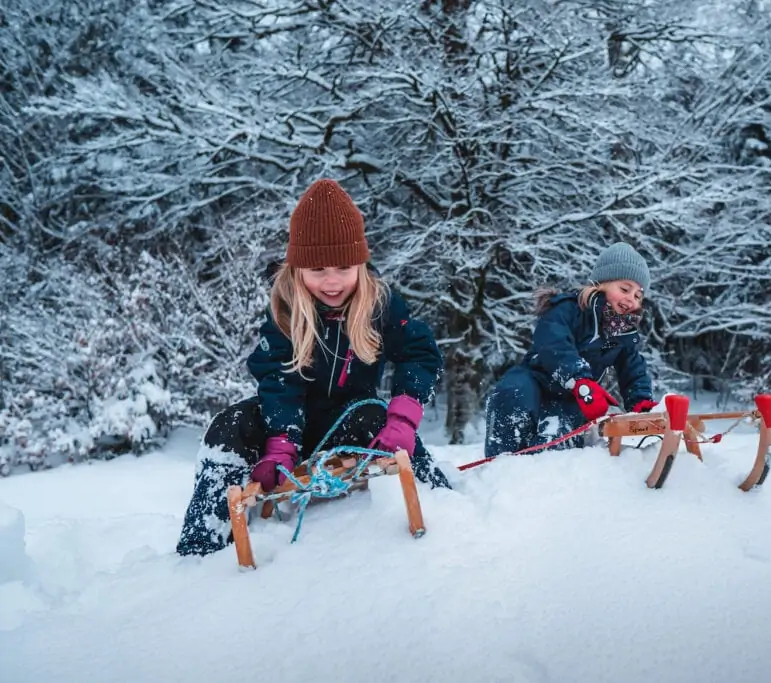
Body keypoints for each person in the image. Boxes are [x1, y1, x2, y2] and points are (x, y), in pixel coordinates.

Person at [177, 178, 449, 557]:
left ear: (361, 264)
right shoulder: (284, 310)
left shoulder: (379, 304)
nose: (332, 280)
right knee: (228, 425)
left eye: (343, 266)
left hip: (351, 421)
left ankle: (441, 503)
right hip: (290, 426)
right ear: (298, 268)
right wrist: (280, 441)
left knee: (376, 414)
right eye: (318, 268)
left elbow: (419, 353)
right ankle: (201, 544)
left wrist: (403, 419)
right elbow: (278, 379)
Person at [484, 242, 658, 458]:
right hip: (536, 378)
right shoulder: (569, 308)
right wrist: (579, 378)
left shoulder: (622, 335)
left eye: (638, 296)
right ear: (601, 284)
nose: (631, 299)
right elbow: (553, 342)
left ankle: (543, 476)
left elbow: (633, 369)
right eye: (624, 289)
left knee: (557, 433)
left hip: (572, 399)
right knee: (513, 394)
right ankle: (500, 462)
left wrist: (640, 401)